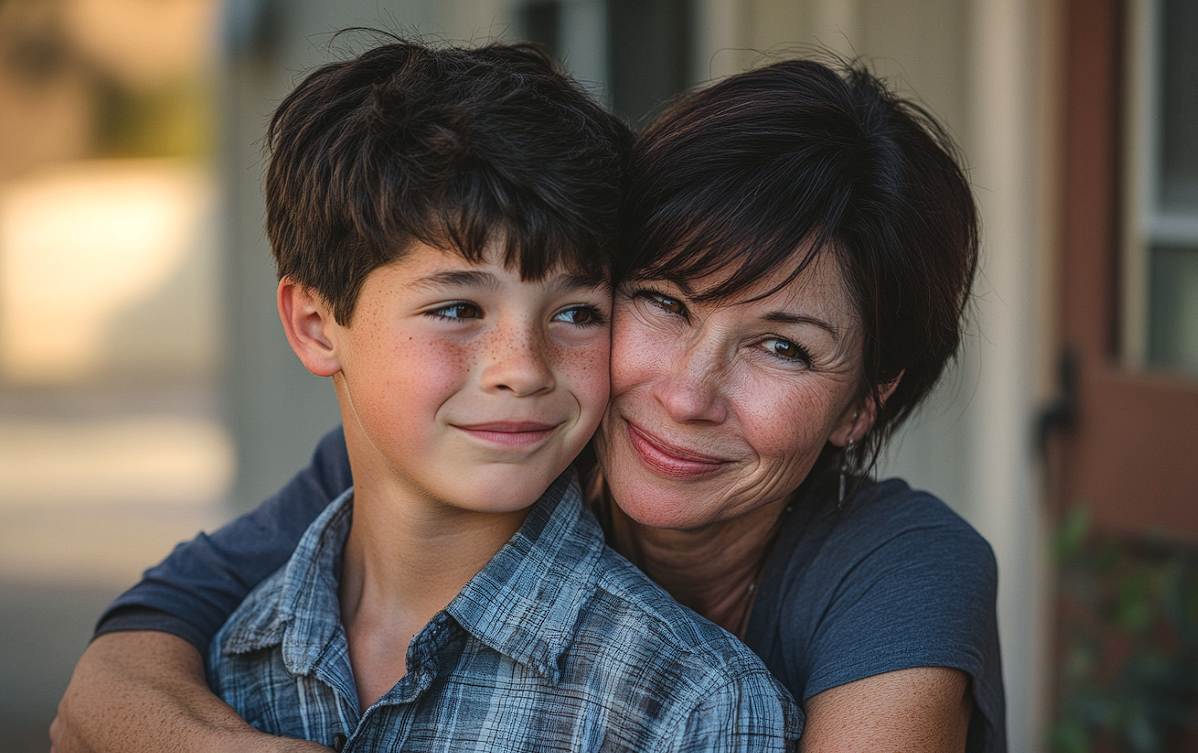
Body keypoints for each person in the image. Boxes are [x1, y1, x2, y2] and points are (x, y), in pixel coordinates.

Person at [52, 57, 1004, 753]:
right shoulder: (443, 462)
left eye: (783, 347)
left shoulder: (887, 576)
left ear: (860, 407)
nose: (686, 392)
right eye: (664, 304)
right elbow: (115, 676)